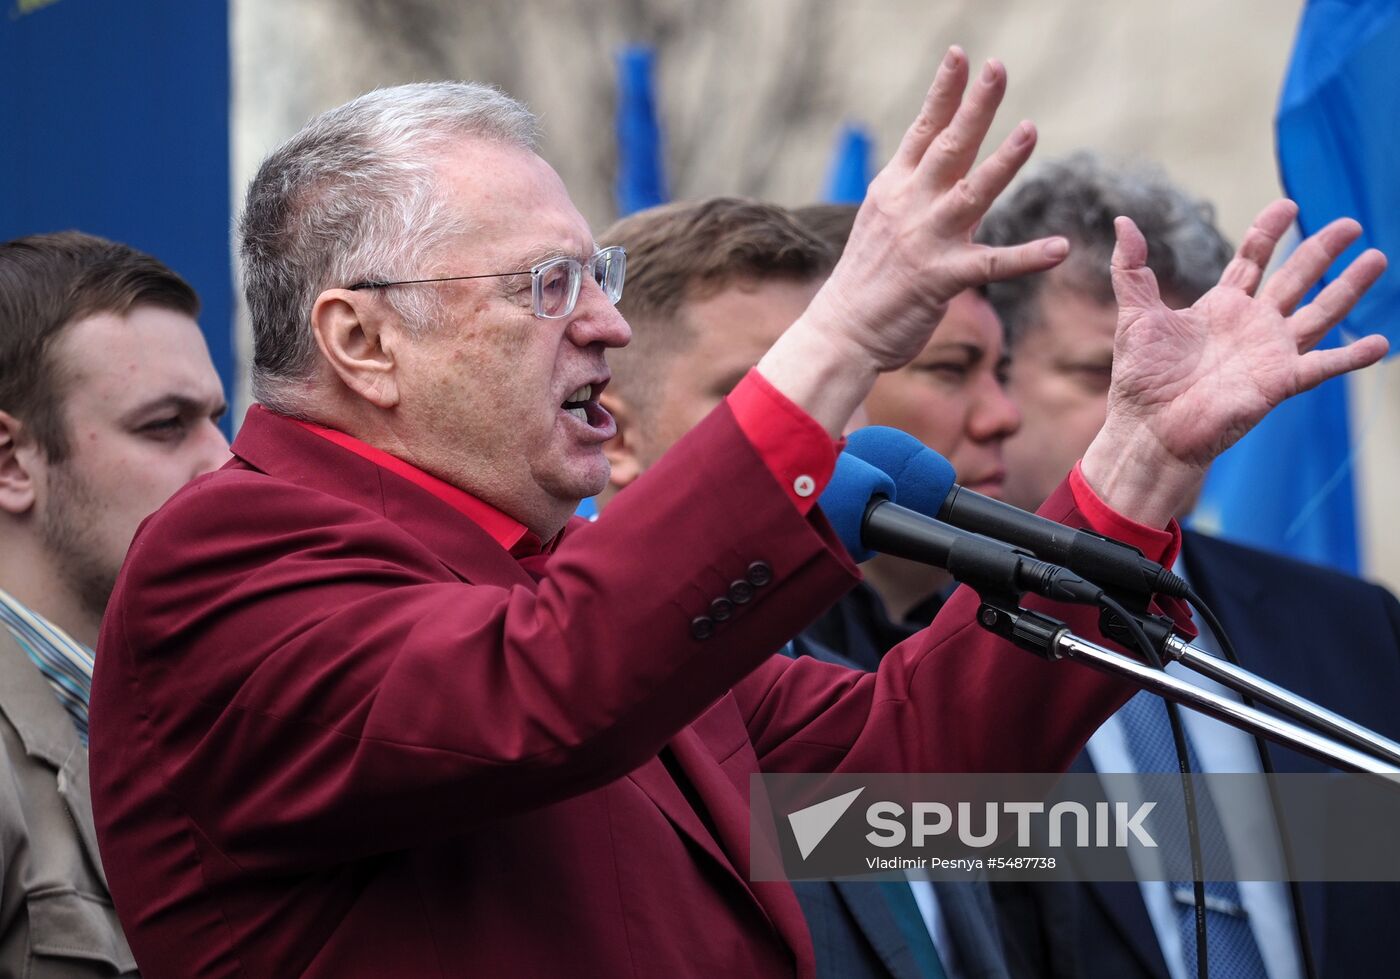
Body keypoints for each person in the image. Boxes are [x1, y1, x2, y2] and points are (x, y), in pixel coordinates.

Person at [88, 52, 1387, 978]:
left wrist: (1140, 458)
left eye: (596, 275)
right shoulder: (227, 561)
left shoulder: (574, 595)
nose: (604, 318)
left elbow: (914, 761)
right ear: (362, 337)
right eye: (549, 284)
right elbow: (540, 689)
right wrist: (842, 335)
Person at [979, 152, 1400, 979]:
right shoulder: (902, 643)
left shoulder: (1354, 629)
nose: (1154, 403)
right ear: (997, 381)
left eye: (1188, 369)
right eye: (1100, 373)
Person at [599, 196, 1014, 979]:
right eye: (765, 396)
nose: (823, 430)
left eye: (842, 380)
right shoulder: (600, 736)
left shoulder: (855, 672)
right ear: (615, 435)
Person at [0, 231, 229, 976]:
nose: (224, 463)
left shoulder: (207, 710)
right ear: (11, 464)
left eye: (217, 418)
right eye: (164, 425)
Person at [793, 203, 1021, 669]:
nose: (1004, 416)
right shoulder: (753, 673)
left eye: (1001, 374)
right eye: (951, 369)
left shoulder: (1006, 642)